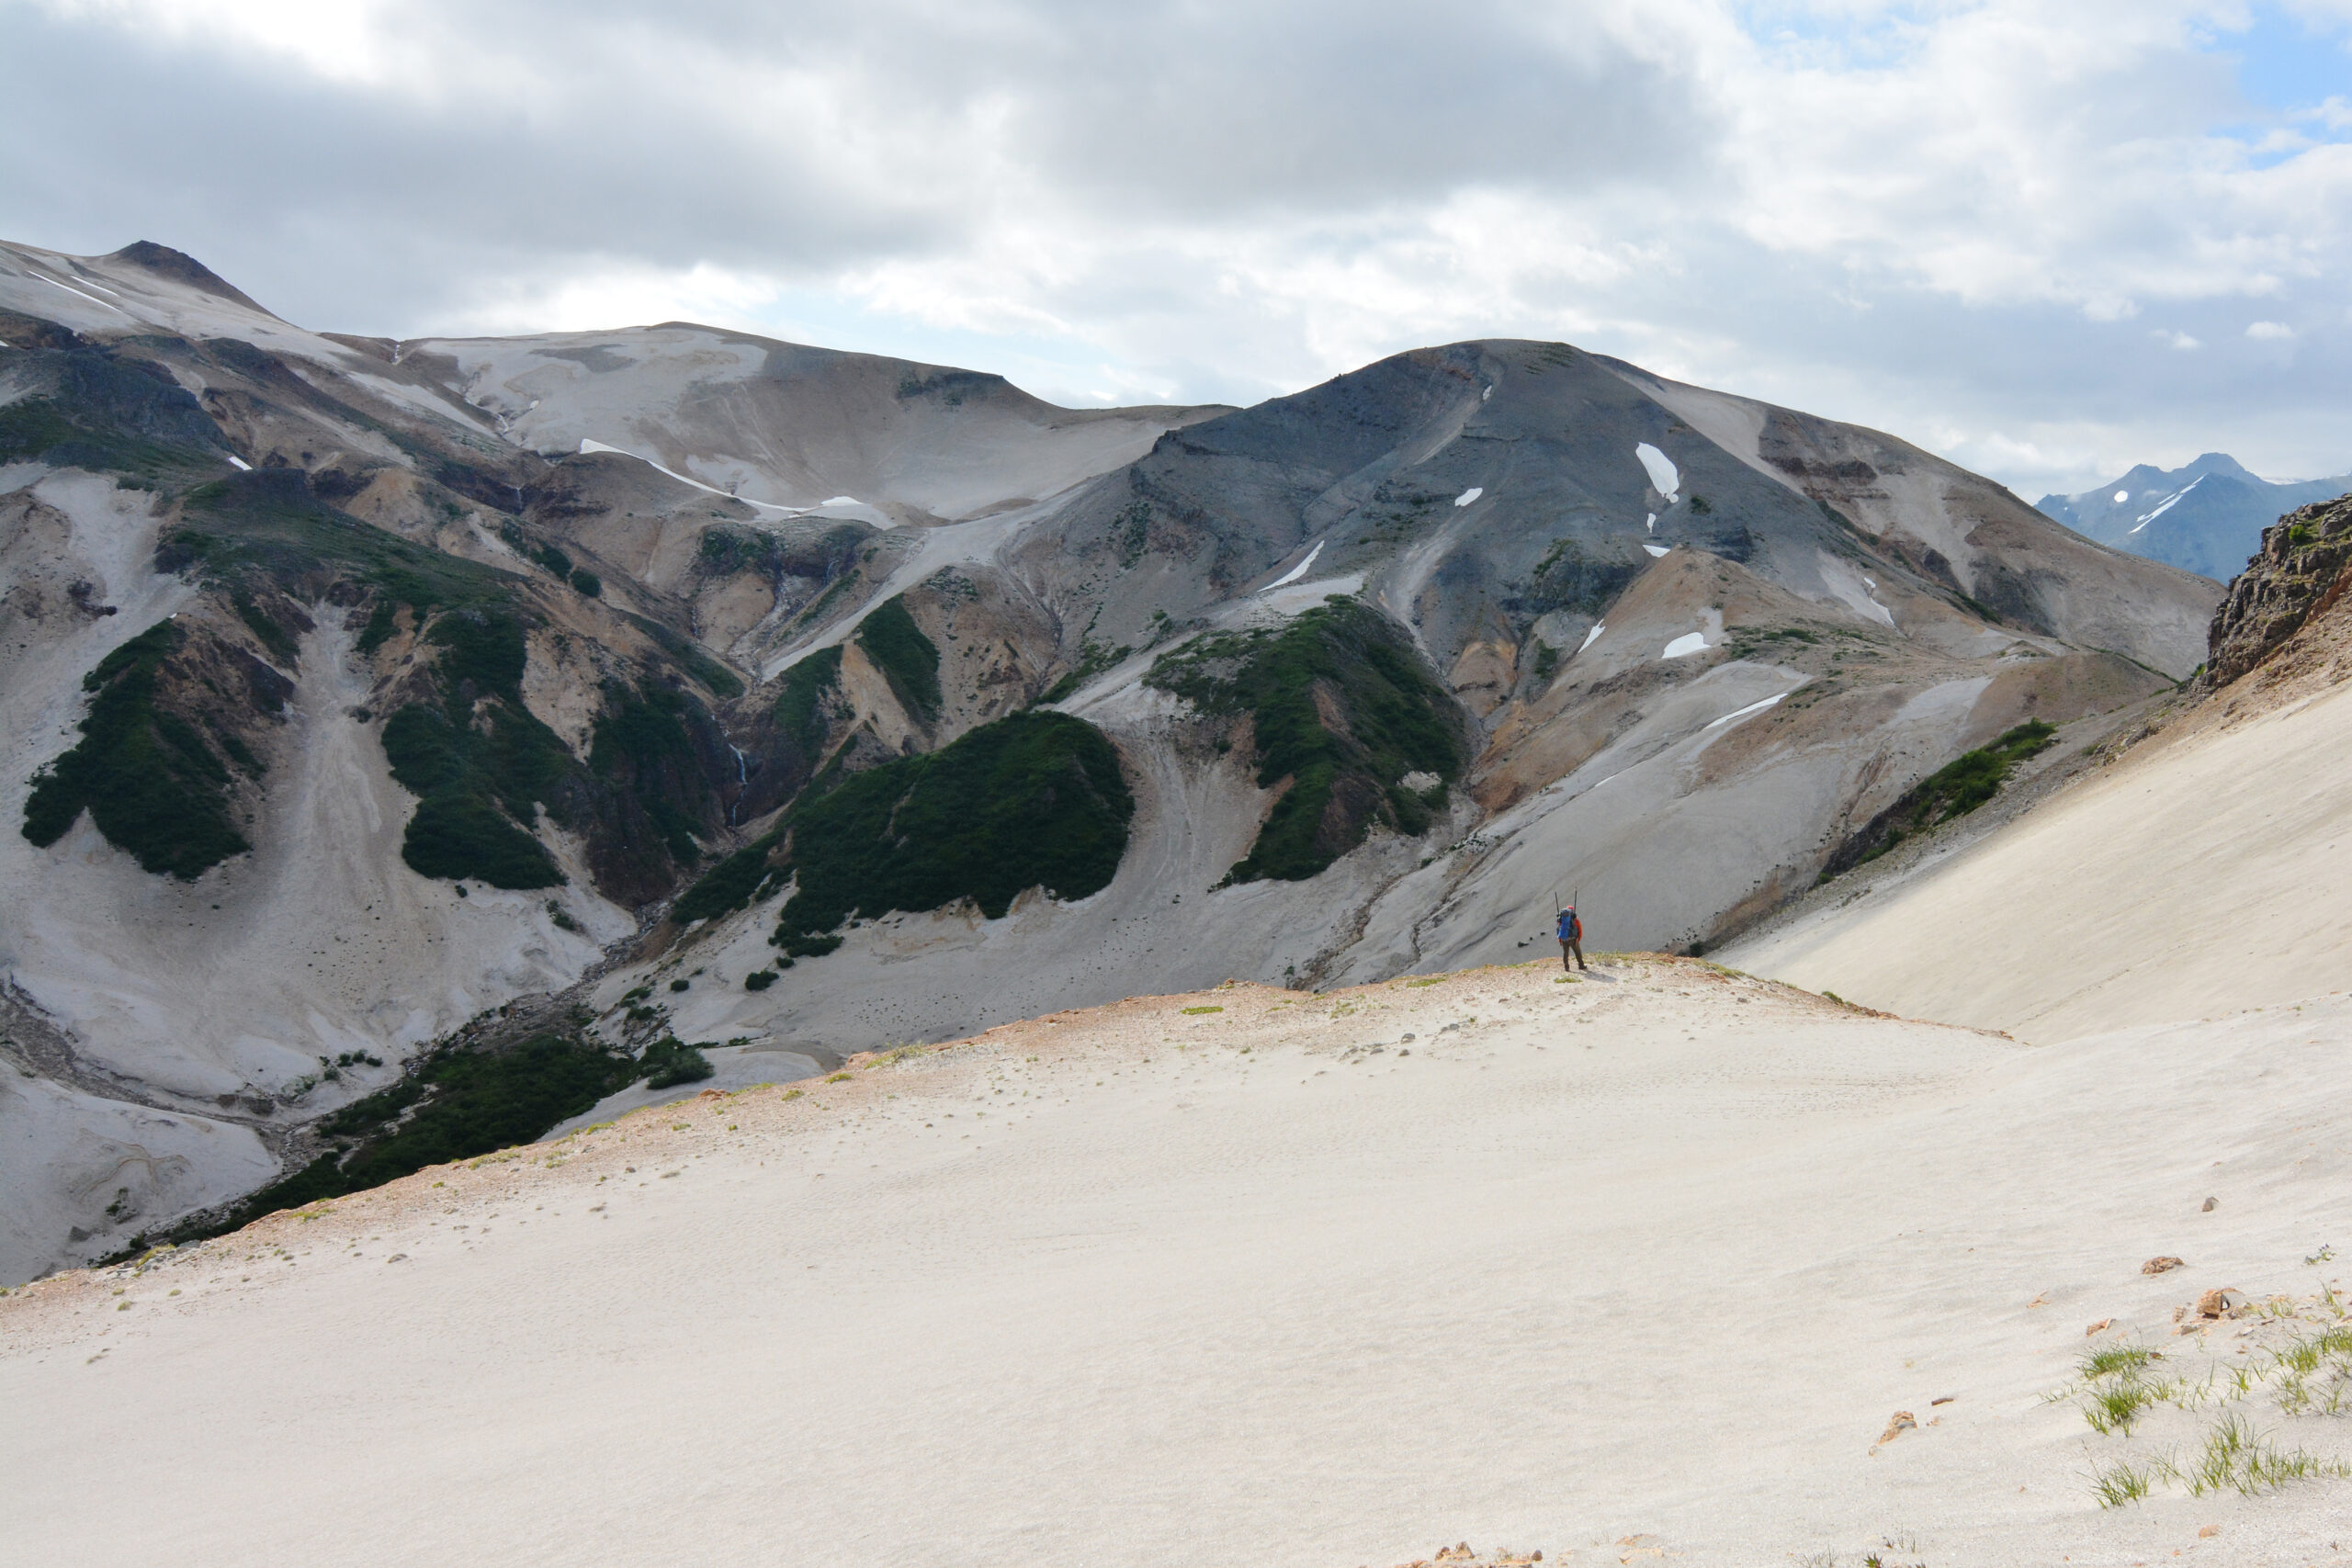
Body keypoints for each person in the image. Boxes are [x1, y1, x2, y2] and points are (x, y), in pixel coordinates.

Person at [1556, 904, 1586, 972]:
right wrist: (1578, 939)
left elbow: (1559, 931)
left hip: (1564, 939)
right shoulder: (1576, 921)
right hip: (1573, 939)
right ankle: (1581, 965)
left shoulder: (1561, 921)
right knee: (1578, 952)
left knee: (1565, 953)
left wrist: (1560, 940)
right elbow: (1580, 931)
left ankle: (1566, 967)